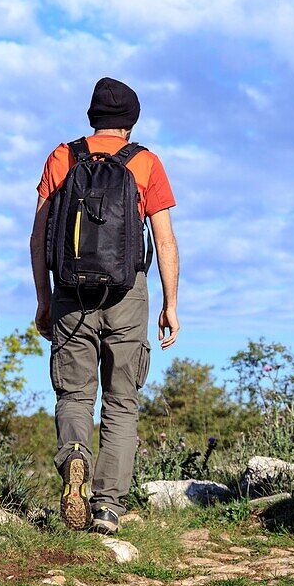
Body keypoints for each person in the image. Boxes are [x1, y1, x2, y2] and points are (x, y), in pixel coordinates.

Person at [29, 77, 180, 534]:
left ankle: (75, 456)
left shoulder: (62, 157)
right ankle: (108, 506)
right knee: (122, 401)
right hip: (127, 294)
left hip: (71, 294)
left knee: (74, 396)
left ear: (92, 117)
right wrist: (170, 303)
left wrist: (44, 299)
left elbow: (40, 237)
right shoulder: (145, 163)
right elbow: (165, 239)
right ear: (129, 125)